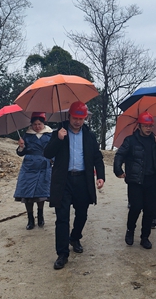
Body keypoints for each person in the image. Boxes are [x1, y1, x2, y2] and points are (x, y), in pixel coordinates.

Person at [43, 101, 105, 270]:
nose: (78, 121)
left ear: (85, 118)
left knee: (82, 214)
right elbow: (47, 153)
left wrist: (100, 176)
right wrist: (58, 139)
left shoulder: (89, 135)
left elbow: (97, 157)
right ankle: (62, 254)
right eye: (75, 118)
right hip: (63, 181)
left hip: (83, 180)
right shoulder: (59, 133)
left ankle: (75, 237)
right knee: (62, 217)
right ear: (69, 116)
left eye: (81, 118)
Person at [113, 111, 156, 249]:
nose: (149, 128)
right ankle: (130, 230)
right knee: (135, 207)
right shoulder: (130, 140)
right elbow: (119, 155)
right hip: (135, 180)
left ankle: (145, 237)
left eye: (151, 125)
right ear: (139, 125)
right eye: (146, 125)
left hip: (152, 180)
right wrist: (118, 169)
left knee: (150, 210)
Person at [13, 112, 53, 230]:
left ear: (43, 123)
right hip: (29, 167)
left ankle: (40, 216)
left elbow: (54, 150)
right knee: (27, 194)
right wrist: (21, 146)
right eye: (35, 124)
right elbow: (21, 153)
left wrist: (52, 160)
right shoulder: (26, 135)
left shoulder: (50, 135)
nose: (37, 126)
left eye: (39, 124)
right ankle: (30, 219)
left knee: (41, 193)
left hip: (44, 166)